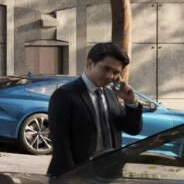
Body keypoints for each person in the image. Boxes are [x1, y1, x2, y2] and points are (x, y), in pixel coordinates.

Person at [47, 41, 144, 177]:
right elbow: (61, 145)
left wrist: (131, 103)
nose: (110, 76)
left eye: (116, 72)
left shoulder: (111, 94)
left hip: (109, 174)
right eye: (106, 69)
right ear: (90, 63)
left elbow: (133, 129)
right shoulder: (65, 95)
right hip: (76, 176)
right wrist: (72, 180)